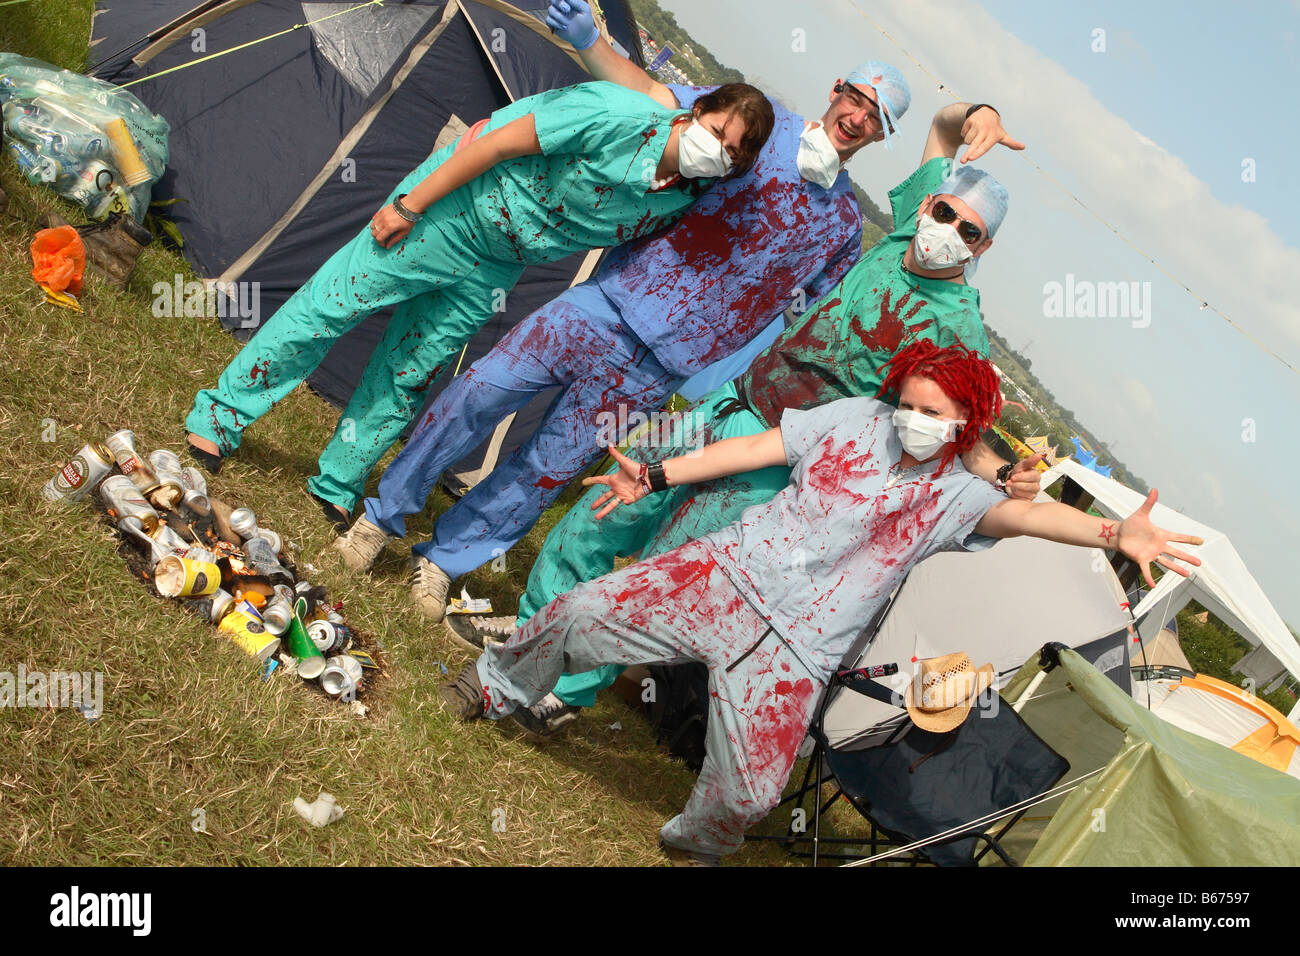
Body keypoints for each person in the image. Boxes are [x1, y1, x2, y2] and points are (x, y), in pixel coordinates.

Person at [438, 340, 1203, 863]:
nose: (914, 418)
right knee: (578, 614)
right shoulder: (851, 422)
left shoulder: (958, 497)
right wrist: (659, 474)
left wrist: (1114, 532)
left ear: (964, 424)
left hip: (797, 651)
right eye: (909, 400)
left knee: (752, 793)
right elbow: (754, 449)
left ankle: (693, 845)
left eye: (934, 412)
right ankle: (494, 686)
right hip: (724, 577)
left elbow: (1032, 515)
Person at [327, 0, 914, 624]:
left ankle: (445, 560)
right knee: (478, 395)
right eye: (856, 99)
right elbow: (653, 93)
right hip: (603, 307)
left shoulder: (846, 226)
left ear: (881, 137)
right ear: (836, 90)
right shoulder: (754, 127)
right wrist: (589, 43)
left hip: (659, 369)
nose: (858, 118)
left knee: (548, 466)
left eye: (876, 119)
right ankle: (383, 517)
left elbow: (807, 315)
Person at [508, 97, 1033, 736]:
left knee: (659, 574)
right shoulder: (902, 234)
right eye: (946, 212)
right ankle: (530, 636)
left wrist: (1006, 479)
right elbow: (942, 128)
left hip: (775, 457)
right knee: (603, 516)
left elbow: (962, 434)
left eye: (969, 231)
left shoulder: (959, 329)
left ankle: (562, 691)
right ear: (927, 205)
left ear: (985, 247)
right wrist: (977, 113)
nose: (949, 230)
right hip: (726, 404)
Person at [182, 78, 770, 516]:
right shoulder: (616, 114)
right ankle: (219, 418)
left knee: (410, 369)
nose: (717, 150)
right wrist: (411, 204)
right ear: (697, 112)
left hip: (499, 263)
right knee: (331, 307)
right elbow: (494, 147)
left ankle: (338, 481)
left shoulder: (679, 199)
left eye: (732, 153)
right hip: (452, 211)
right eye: (717, 133)